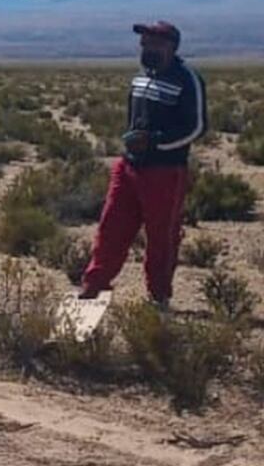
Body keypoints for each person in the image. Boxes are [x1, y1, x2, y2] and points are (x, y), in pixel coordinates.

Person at [79, 21, 207, 309]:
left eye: (153, 43)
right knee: (111, 225)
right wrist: (133, 144)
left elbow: (197, 127)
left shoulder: (187, 79)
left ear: (171, 46)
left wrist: (155, 142)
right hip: (129, 166)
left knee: (162, 234)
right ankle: (94, 283)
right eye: (144, 43)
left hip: (165, 171)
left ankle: (159, 295)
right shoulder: (140, 78)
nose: (146, 48)